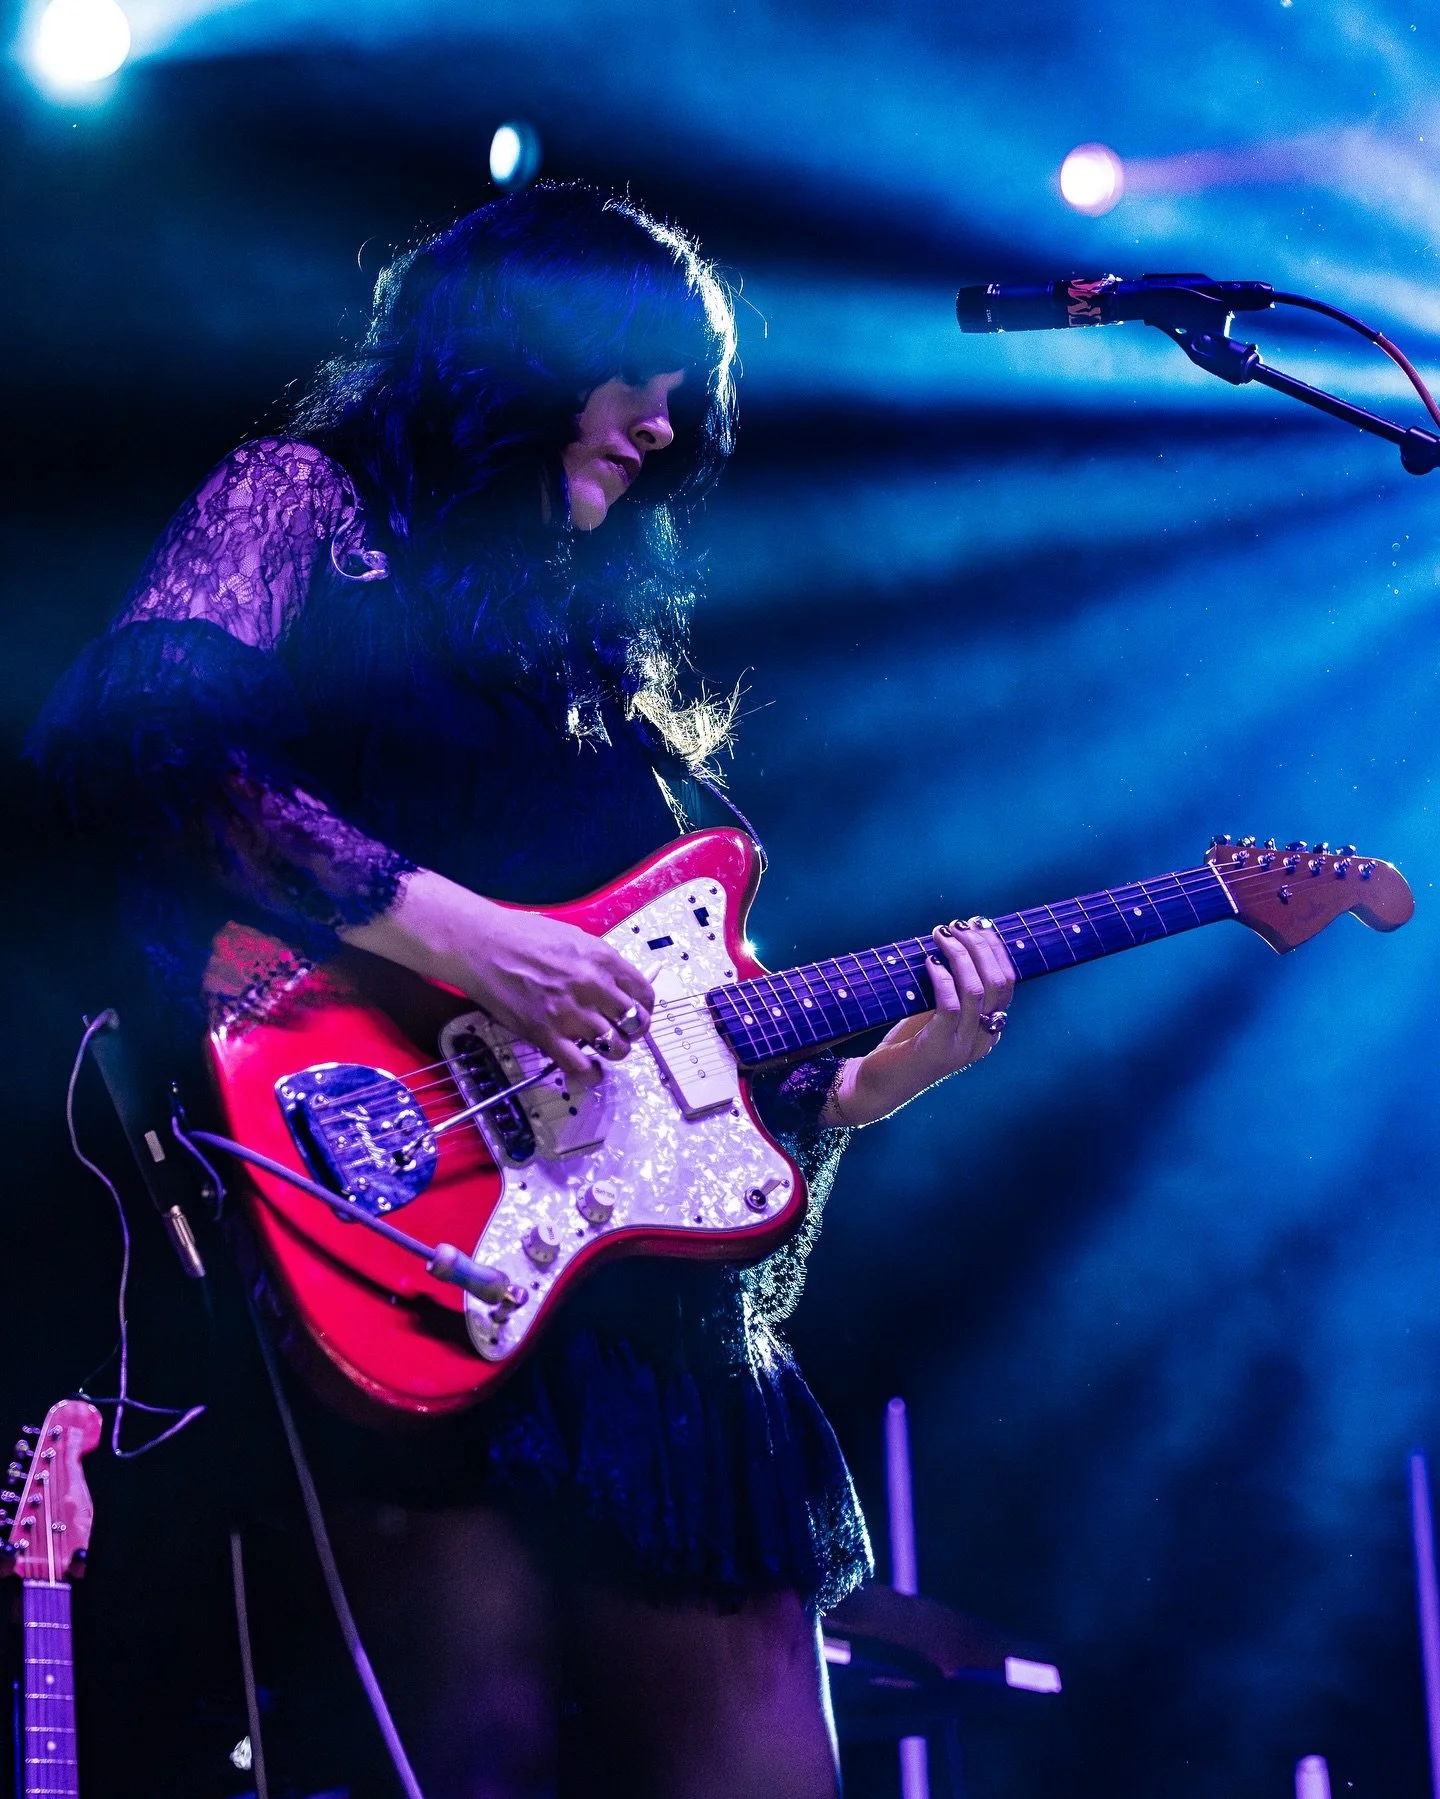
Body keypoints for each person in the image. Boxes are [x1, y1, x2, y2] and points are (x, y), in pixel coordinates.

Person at [32, 183, 1015, 1798]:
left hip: (659, 1356)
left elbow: (698, 1121)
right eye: (646, 369)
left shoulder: (605, 672)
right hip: (413, 1252)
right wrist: (452, 930)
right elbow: (140, 742)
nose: (674, 422)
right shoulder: (314, 504)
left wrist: (872, 1086)